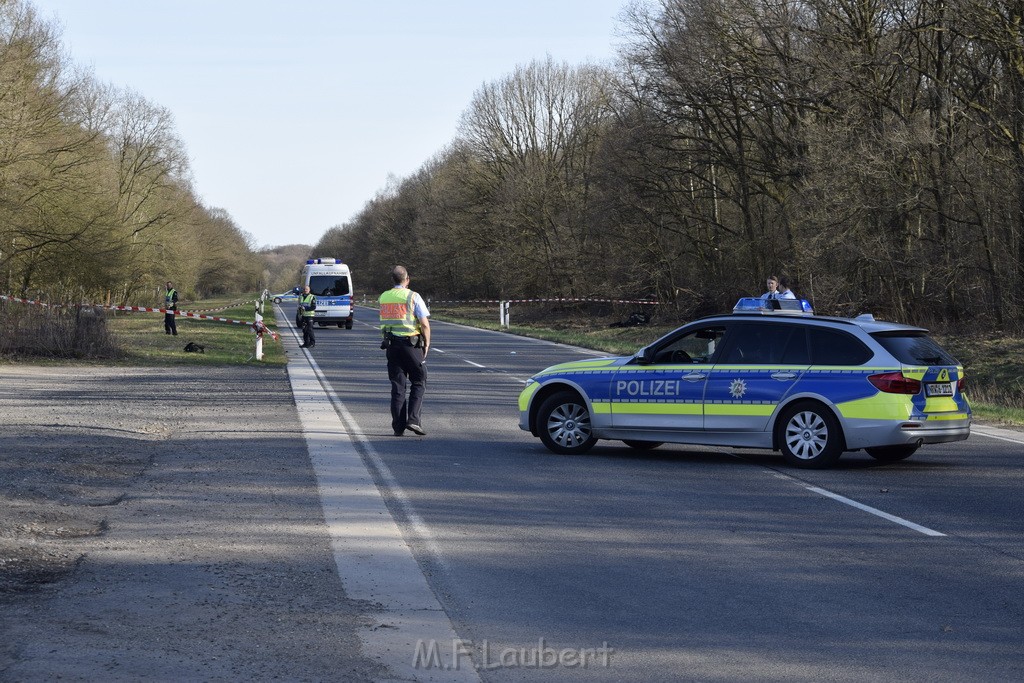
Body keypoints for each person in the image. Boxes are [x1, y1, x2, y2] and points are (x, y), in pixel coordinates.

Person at [379, 265, 430, 437]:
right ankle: (413, 421)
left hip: (392, 346)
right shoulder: (413, 296)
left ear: (392, 280)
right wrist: (427, 345)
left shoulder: (384, 296)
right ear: (407, 279)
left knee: (398, 386)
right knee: (419, 380)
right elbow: (424, 324)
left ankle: (398, 427)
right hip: (411, 345)